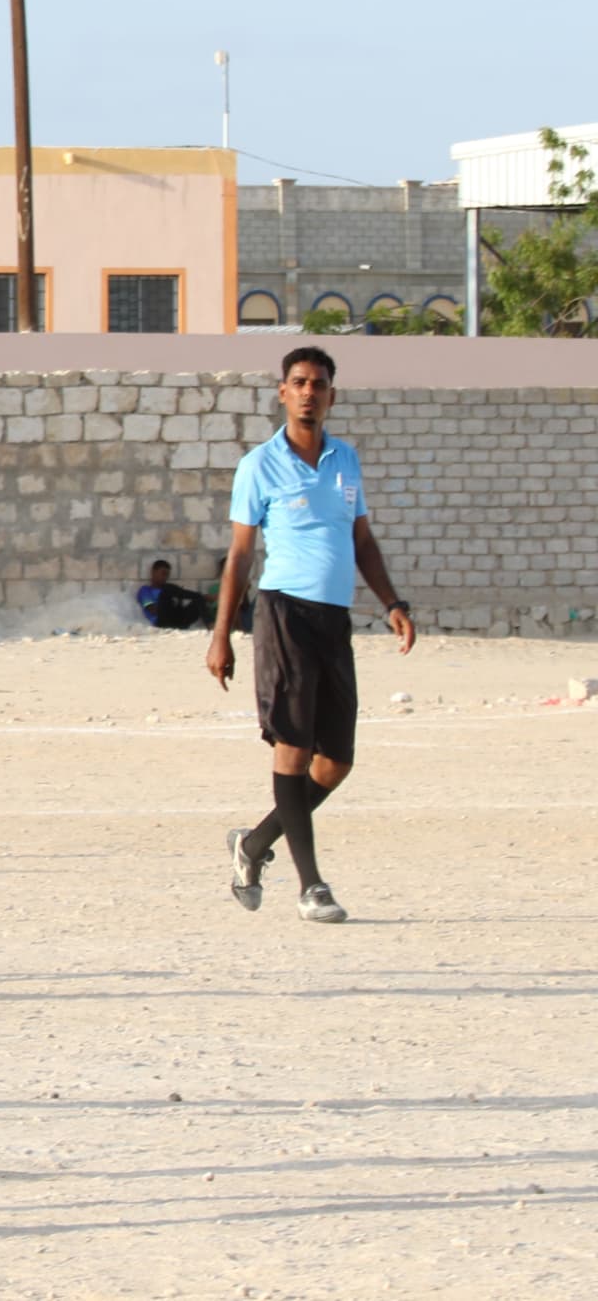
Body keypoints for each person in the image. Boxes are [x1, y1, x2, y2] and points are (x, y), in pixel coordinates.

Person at [207, 345, 416, 924]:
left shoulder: (346, 459)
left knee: (336, 762)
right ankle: (312, 887)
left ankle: (253, 845)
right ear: (282, 392)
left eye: (318, 383)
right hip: (283, 616)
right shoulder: (260, 465)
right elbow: (240, 555)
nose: (308, 391)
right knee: (294, 750)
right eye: (297, 382)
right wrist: (221, 634)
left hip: (333, 620)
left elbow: (362, 540)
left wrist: (392, 602)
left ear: (331, 394)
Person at [136, 559, 213, 631]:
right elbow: (152, 610)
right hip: (162, 621)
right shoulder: (145, 590)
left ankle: (210, 625)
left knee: (198, 599)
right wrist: (169, 602)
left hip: (179, 621)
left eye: (167, 575)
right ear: (153, 572)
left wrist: (177, 602)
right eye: (163, 574)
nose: (165, 577)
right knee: (168, 589)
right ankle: (197, 595)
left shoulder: (170, 588)